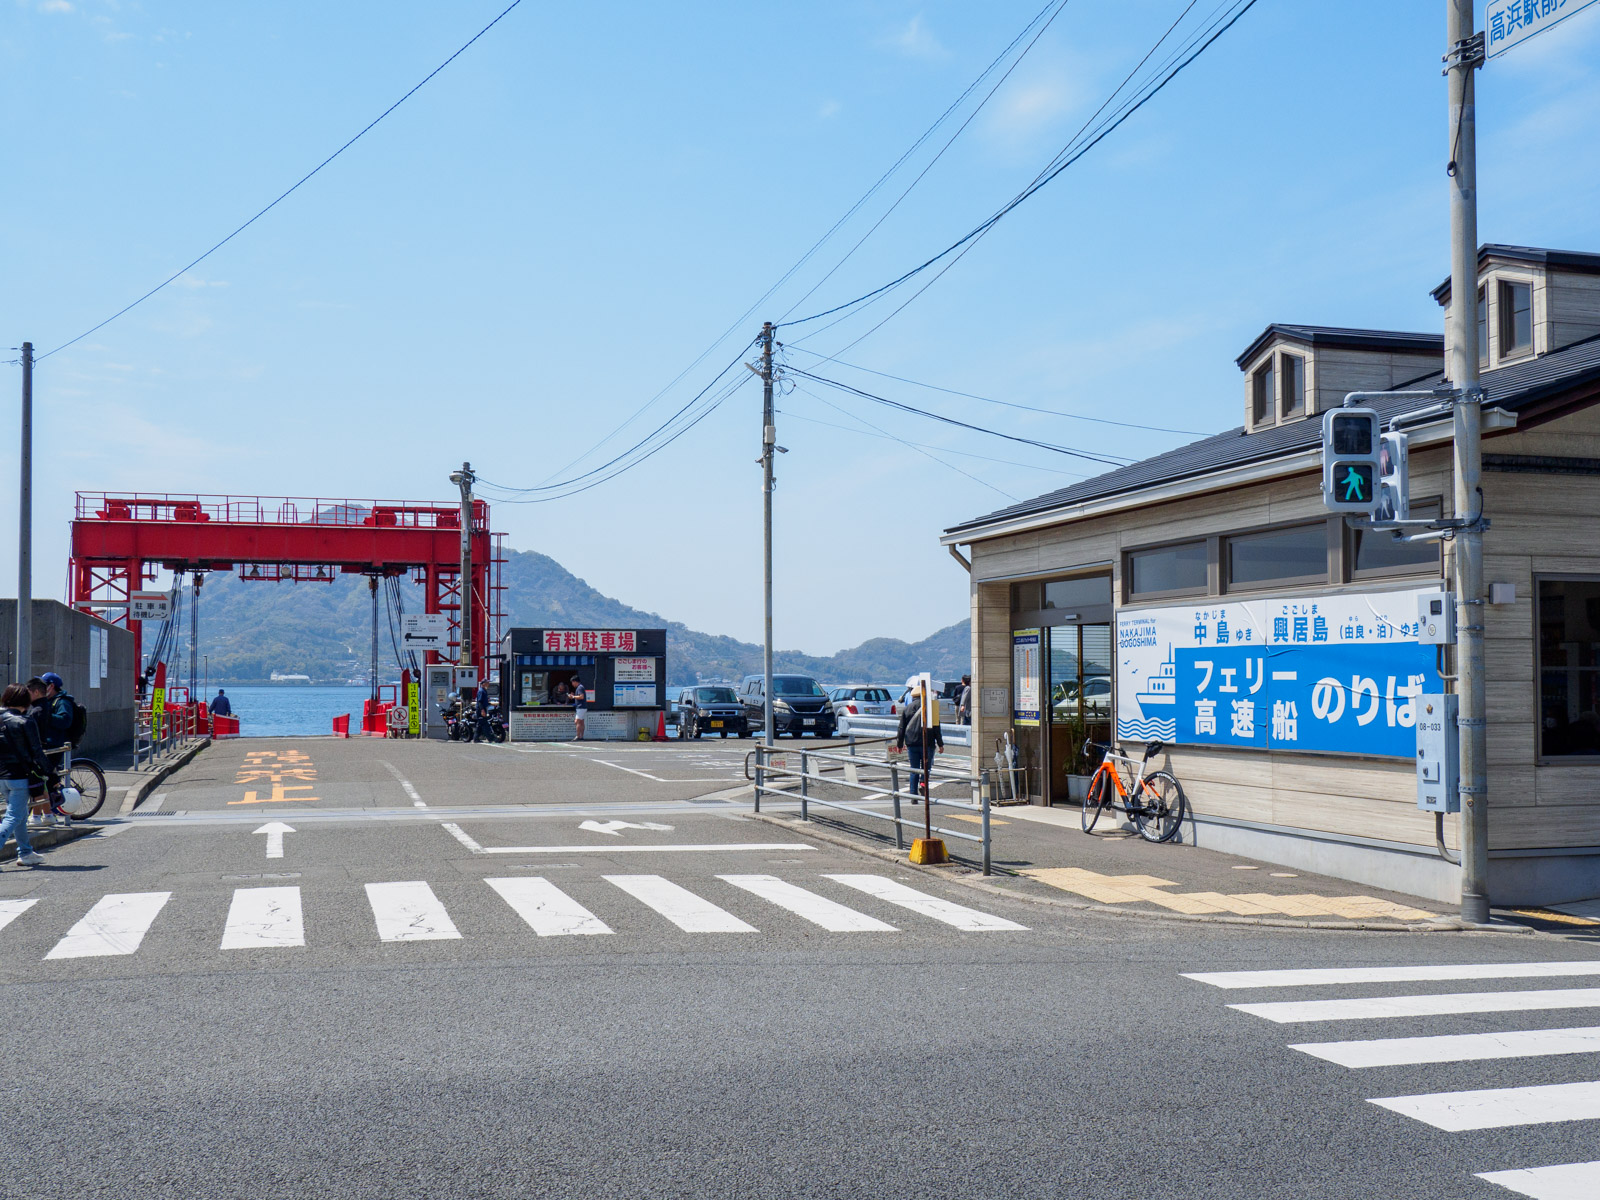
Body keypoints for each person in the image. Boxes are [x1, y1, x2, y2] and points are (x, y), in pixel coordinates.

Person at [1, 684, 49, 867]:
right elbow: (37, 751)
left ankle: (26, 852)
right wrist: (51, 774)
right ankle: (25, 852)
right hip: (19, 776)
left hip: (2, 777)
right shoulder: (26, 721)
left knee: (19, 814)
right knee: (13, 816)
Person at [894, 677, 943, 804]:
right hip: (928, 743)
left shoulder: (907, 709)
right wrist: (940, 744)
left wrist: (899, 744)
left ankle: (913, 796)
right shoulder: (930, 708)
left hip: (911, 743)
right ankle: (923, 784)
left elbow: (901, 728)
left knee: (913, 769)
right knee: (926, 768)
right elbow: (936, 727)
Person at [571, 674, 587, 740]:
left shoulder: (580, 687)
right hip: (582, 707)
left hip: (581, 707)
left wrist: (573, 696)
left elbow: (581, 696)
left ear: (575, 681)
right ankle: (581, 736)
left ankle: (578, 736)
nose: (572, 684)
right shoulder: (581, 687)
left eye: (572, 682)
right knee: (581, 722)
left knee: (577, 721)